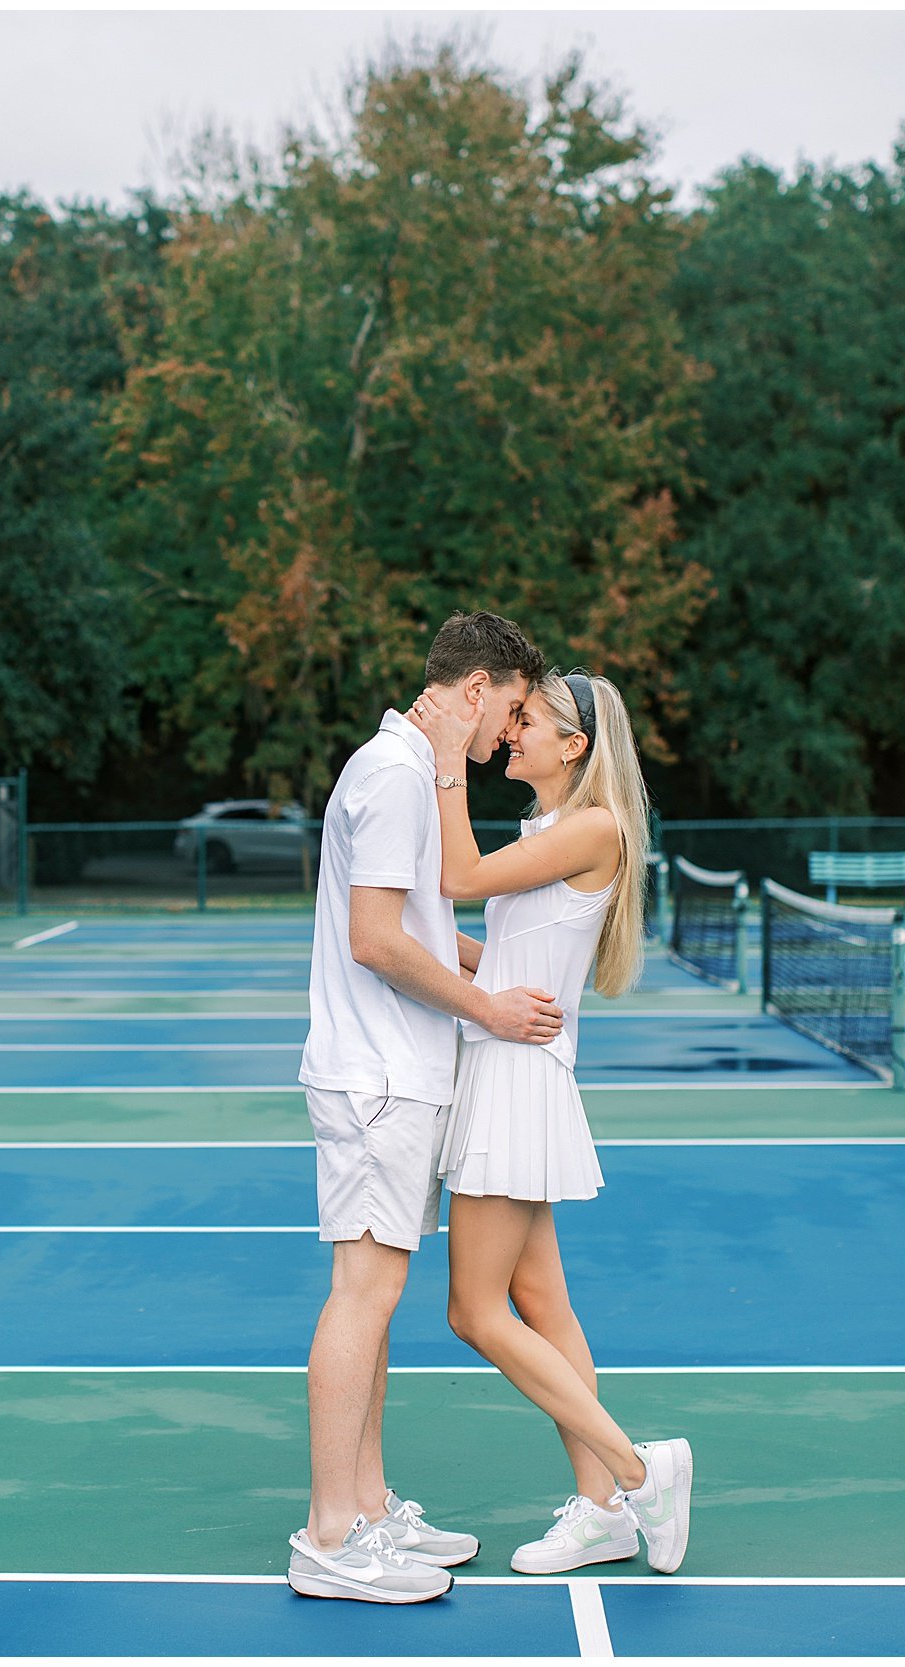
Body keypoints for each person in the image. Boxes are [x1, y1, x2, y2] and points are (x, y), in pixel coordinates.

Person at [287, 611, 566, 1605]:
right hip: (376, 1078)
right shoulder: (399, 773)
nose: (507, 733)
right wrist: (489, 1007)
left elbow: (417, 926)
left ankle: (366, 1504)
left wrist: (512, 973)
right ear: (477, 685)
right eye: (514, 709)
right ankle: (329, 1534)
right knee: (362, 1292)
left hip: (393, 1076)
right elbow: (375, 938)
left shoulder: (397, 767)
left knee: (379, 1293)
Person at [406, 670, 693, 1577]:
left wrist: (446, 757)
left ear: (574, 747)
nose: (510, 731)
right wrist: (412, 936)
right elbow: (511, 957)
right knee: (544, 1306)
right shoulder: (549, 831)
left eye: (525, 720)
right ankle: (604, 1514)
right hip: (511, 1068)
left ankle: (641, 1471)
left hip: (517, 1083)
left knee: (473, 1311)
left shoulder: (591, 826)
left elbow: (457, 874)